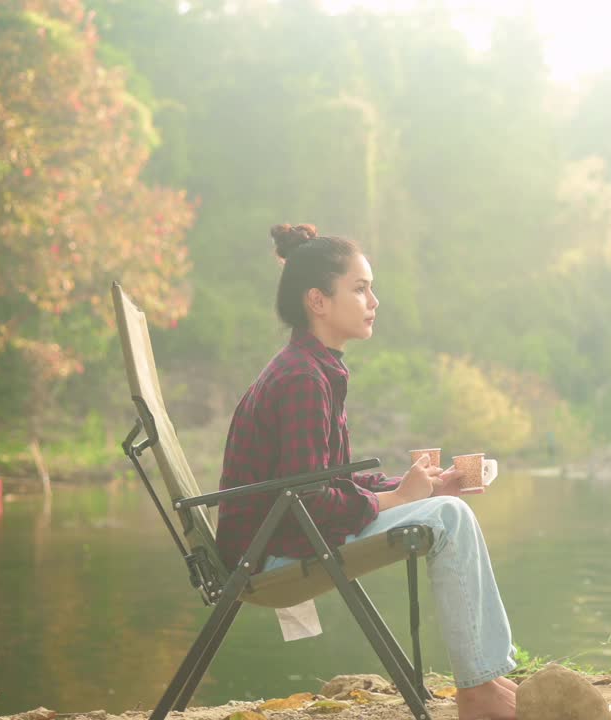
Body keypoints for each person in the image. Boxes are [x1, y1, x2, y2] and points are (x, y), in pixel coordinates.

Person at [214, 223, 518, 720]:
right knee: (451, 517)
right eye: (360, 288)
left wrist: (408, 487)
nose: (373, 299)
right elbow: (311, 501)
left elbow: (325, 481)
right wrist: (400, 502)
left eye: (371, 287)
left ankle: (484, 680)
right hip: (270, 555)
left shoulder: (314, 368)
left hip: (281, 537)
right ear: (318, 300)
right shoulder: (301, 380)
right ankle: (480, 691)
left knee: (443, 505)